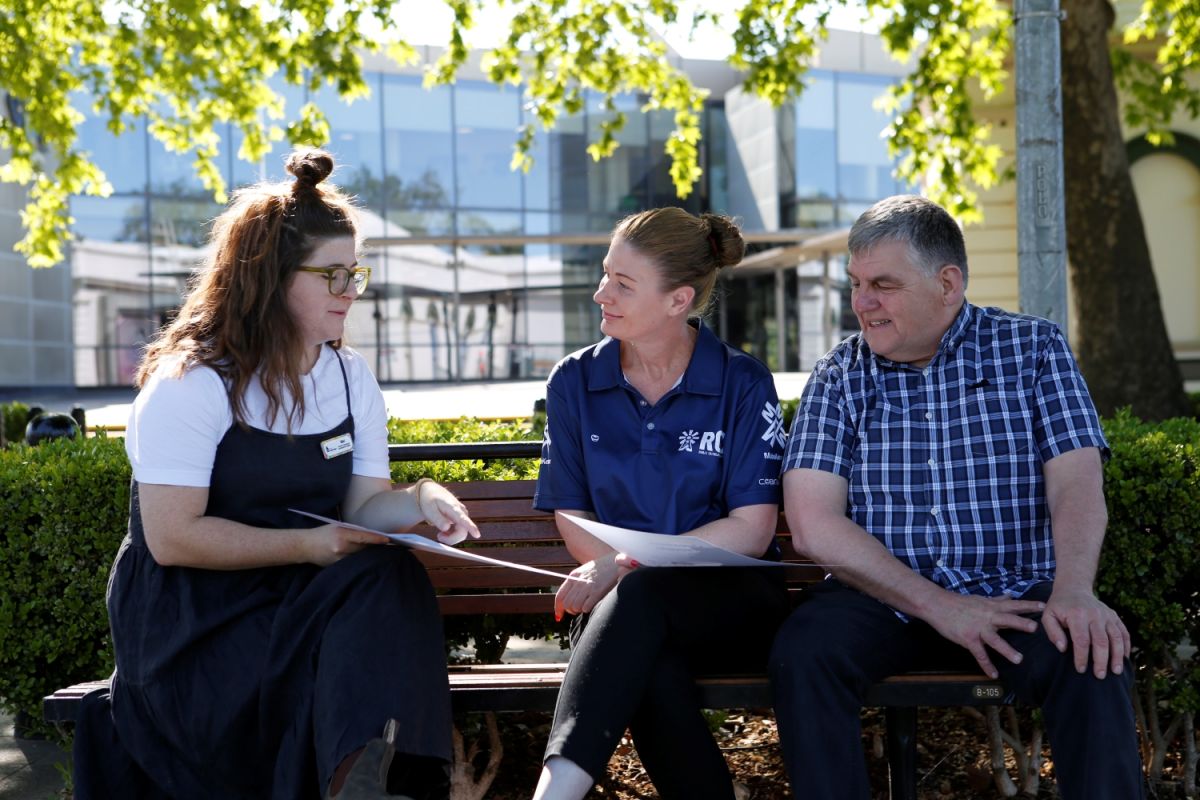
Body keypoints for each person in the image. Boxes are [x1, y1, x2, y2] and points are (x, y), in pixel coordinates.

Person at [89, 149, 480, 800]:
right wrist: (306, 546)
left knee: (392, 569)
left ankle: (373, 782)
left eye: (355, 272)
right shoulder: (193, 383)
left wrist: (421, 499)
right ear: (270, 278)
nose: (351, 291)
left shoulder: (351, 378)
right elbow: (170, 537)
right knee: (378, 585)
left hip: (297, 611)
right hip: (196, 638)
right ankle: (383, 781)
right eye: (332, 275)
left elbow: (363, 508)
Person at [770, 194, 1144, 799]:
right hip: (881, 598)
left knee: (1088, 653)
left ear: (948, 283)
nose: (862, 303)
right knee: (805, 653)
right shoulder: (839, 374)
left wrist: (1075, 593)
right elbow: (813, 524)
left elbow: (1076, 482)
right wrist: (939, 605)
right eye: (856, 283)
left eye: (883, 285)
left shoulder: (1035, 350)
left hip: (1013, 594)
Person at [531, 207, 792, 800]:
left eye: (622, 284)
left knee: (637, 598)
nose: (601, 293)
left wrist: (623, 566)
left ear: (679, 301)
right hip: (622, 609)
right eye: (605, 274)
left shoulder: (742, 381)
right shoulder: (573, 381)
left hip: (731, 602)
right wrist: (619, 572)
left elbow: (752, 530)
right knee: (646, 651)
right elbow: (572, 515)